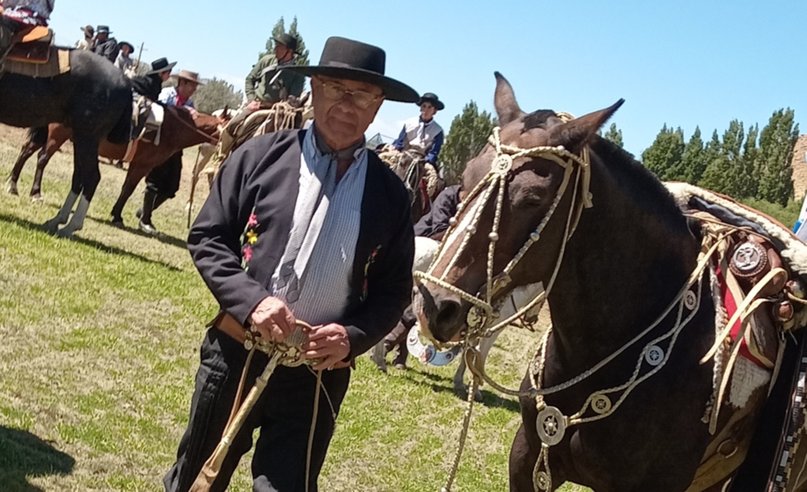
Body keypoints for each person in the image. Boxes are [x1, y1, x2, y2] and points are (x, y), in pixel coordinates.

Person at [164, 36, 418, 492]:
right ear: (314, 88)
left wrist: (353, 337)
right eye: (336, 87)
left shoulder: (392, 196)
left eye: (361, 94)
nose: (347, 103)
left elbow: (394, 289)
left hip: (317, 376)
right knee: (196, 481)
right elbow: (208, 237)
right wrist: (253, 302)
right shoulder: (261, 157)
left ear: (378, 106)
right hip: (237, 353)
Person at [372, 184, 462, 369]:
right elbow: (439, 226)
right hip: (425, 239)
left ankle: (399, 355)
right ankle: (387, 342)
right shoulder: (449, 196)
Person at [137, 69, 203, 236]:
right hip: (159, 144)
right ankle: (145, 219)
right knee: (153, 181)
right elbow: (159, 111)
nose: (194, 89)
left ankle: (145, 210)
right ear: (182, 83)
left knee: (172, 187)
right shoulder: (166, 94)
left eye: (195, 86)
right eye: (192, 85)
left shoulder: (190, 105)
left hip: (175, 149)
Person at [392, 92, 445, 171]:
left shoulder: (438, 130)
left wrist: (427, 160)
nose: (426, 110)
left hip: (423, 160)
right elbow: (400, 141)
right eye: (424, 106)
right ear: (420, 108)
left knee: (432, 179)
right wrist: (397, 151)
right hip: (404, 154)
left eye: (429, 107)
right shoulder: (409, 123)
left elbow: (434, 151)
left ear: (434, 111)